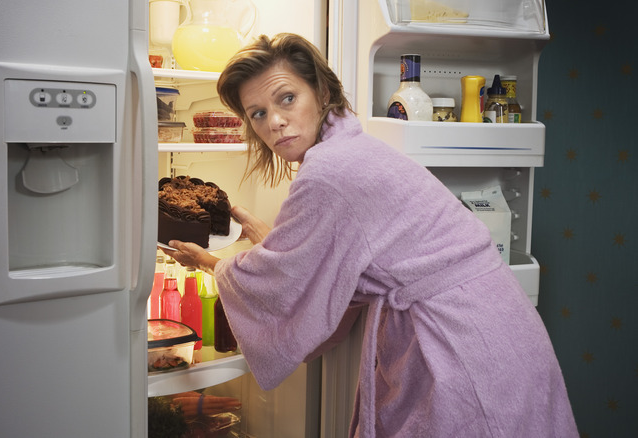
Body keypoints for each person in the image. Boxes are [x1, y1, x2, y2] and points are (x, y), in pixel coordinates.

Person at [161, 33, 577, 437]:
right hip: (496, 327)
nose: (276, 122)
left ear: (322, 92)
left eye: (287, 98)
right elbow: (327, 255)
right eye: (257, 113)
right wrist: (263, 237)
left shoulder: (329, 171)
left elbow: (282, 281)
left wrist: (208, 262)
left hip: (461, 345)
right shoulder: (352, 149)